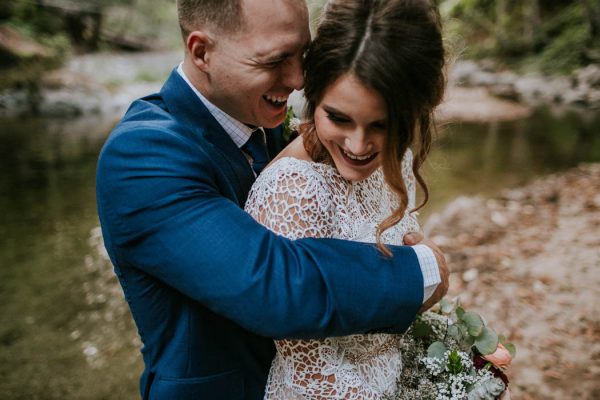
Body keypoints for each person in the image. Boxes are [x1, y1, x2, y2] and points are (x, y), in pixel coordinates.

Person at [95, 0, 448, 399]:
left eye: (301, 53)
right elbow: (272, 284)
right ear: (201, 52)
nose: (299, 79)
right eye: (274, 60)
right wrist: (421, 271)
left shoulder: (265, 120)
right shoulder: (143, 155)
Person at [244, 0, 447, 397]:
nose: (358, 145)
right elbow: (311, 372)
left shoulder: (396, 159)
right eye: (338, 117)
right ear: (312, 96)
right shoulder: (293, 191)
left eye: (382, 125)